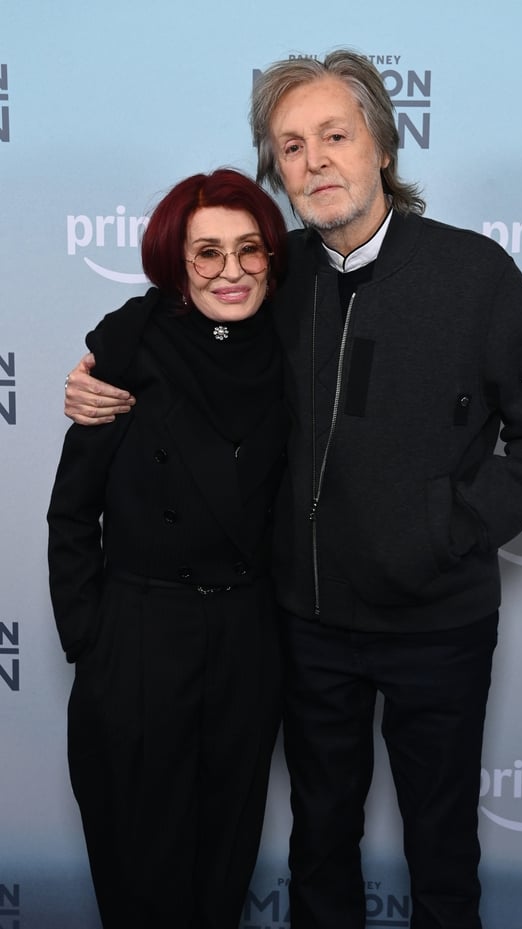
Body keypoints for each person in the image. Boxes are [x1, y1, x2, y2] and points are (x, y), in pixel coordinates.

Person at [62, 51, 522, 929]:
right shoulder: (281, 279)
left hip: (438, 627)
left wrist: (448, 526)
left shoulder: (475, 274)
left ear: (382, 146)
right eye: (292, 146)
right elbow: (177, 317)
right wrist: (96, 368)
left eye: (335, 136)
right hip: (308, 629)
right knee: (319, 849)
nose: (315, 160)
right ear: (278, 171)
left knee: (441, 860)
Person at [48, 169, 288, 929]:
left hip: (247, 641)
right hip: (141, 639)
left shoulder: (294, 347)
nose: (231, 271)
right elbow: (71, 511)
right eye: (207, 252)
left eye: (249, 250)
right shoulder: (126, 349)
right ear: (176, 262)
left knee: (223, 866)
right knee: (141, 870)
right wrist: (94, 636)